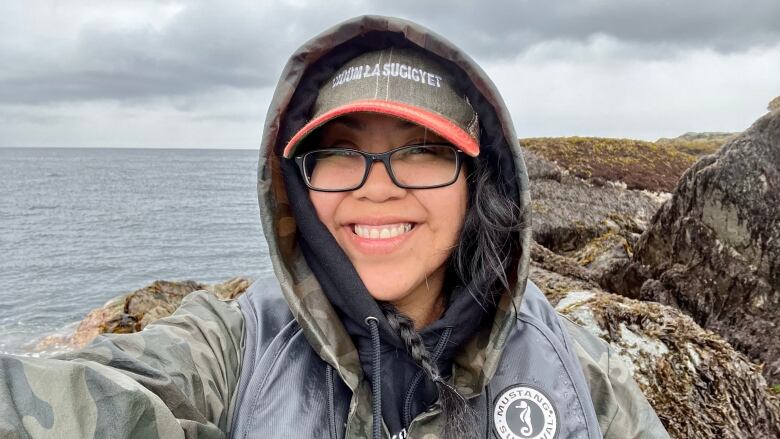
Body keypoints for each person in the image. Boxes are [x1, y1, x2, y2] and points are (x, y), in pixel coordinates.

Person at [0, 15, 669, 439]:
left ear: (478, 180)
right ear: (300, 179)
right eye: (340, 151)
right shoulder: (232, 345)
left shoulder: (576, 369)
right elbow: (77, 400)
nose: (377, 185)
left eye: (422, 150)